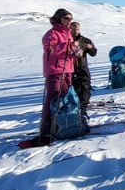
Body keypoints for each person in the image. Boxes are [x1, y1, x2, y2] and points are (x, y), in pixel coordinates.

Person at [23, 8, 77, 147]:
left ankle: (62, 125)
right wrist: (67, 47)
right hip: (55, 70)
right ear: (59, 18)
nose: (69, 21)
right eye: (66, 18)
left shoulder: (68, 34)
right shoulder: (52, 33)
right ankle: (46, 129)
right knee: (52, 100)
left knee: (65, 98)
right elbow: (49, 51)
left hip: (68, 69)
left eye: (70, 19)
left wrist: (75, 50)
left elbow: (69, 50)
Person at [69, 20, 97, 119]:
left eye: (76, 29)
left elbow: (94, 53)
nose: (75, 31)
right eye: (73, 29)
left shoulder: (85, 40)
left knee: (85, 87)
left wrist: (90, 48)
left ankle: (83, 107)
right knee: (71, 88)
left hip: (82, 67)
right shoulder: (67, 40)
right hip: (69, 68)